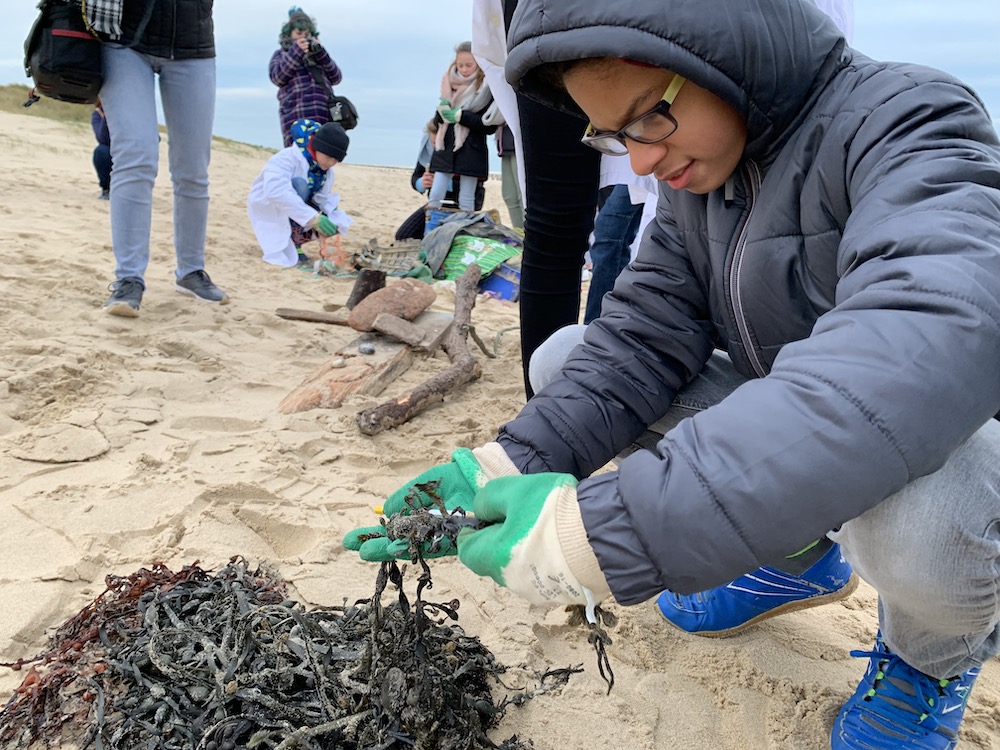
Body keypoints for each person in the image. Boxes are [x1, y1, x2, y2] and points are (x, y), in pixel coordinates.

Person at [346, 1, 1000, 748]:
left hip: (947, 450)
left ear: (723, 55)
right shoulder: (701, 179)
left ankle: (929, 661)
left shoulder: (912, 120)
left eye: (647, 119)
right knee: (564, 357)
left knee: (926, 518)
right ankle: (795, 559)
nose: (640, 162)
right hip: (799, 446)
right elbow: (640, 338)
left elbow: (919, 347)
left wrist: (607, 535)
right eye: (613, 134)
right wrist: (507, 462)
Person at [98, 0, 227, 318]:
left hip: (194, 44)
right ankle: (128, 279)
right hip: (124, 40)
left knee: (193, 169)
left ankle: (191, 271)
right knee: (135, 158)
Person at [247, 119, 353, 268]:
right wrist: (312, 218)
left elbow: (322, 199)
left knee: (331, 218)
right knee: (300, 185)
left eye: (336, 160)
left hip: (299, 207)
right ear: (317, 147)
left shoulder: (326, 172)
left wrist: (334, 218)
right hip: (272, 205)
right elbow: (275, 191)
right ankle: (292, 242)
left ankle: (297, 242)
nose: (331, 163)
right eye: (329, 157)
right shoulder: (287, 158)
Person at [428, 41, 500, 212]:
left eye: (469, 65)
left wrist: (462, 116)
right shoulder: (448, 84)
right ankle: (430, 225)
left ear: (478, 64)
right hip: (446, 148)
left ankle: (464, 226)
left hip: (471, 151)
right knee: (435, 193)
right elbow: (438, 122)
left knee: (467, 198)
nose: (464, 69)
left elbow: (489, 125)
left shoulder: (485, 88)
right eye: (460, 65)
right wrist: (442, 111)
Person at [583, 155, 656, 324]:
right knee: (615, 240)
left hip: (644, 161)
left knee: (608, 235)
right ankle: (611, 318)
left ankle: (597, 321)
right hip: (624, 160)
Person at [269, 7, 343, 148]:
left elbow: (337, 77)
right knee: (299, 156)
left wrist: (321, 53)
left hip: (324, 115)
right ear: (289, 33)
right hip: (296, 116)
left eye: (307, 34)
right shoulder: (281, 54)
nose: (303, 37)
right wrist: (296, 51)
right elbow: (277, 78)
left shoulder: (318, 56)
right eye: (299, 33)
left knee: (324, 155)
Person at [495, 122, 523, 230]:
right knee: (510, 196)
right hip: (505, 144)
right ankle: (519, 233)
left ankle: (528, 234)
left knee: (522, 195)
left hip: (521, 144)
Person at [91, 99, 112, 200]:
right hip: (111, 149)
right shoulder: (97, 115)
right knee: (101, 152)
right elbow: (102, 139)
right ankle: (106, 188)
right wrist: (107, 116)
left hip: (130, 149)